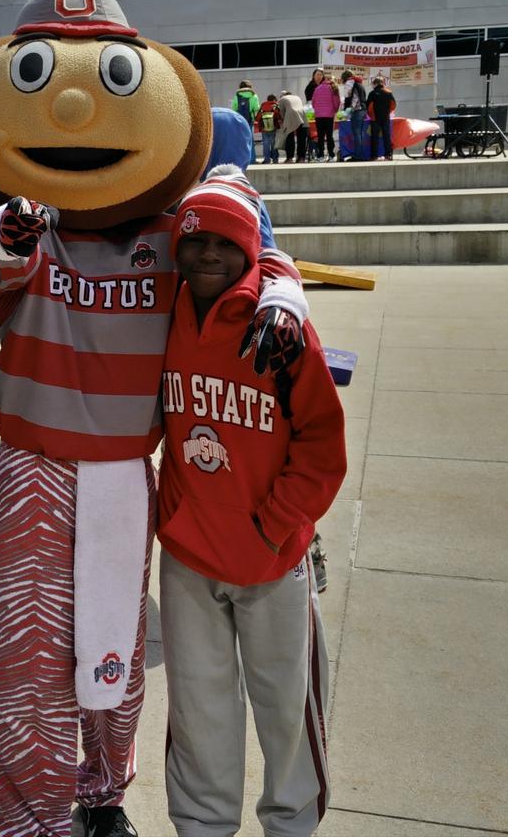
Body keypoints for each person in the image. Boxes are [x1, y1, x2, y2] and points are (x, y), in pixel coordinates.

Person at [0, 0, 309, 837]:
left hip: (123, 470)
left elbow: (248, 240)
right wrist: (11, 230)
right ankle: (34, 820)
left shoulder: (170, 236)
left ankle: (102, 796)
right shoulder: (26, 228)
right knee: (26, 659)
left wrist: (283, 291)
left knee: (113, 653)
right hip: (34, 466)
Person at [158, 175, 346, 837]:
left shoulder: (282, 328)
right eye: (194, 241)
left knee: (285, 708)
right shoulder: (165, 314)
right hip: (188, 556)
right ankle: (202, 827)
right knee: (199, 710)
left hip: (271, 559)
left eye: (224, 243)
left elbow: (323, 447)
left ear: (249, 248)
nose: (208, 253)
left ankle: (291, 825)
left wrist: (274, 527)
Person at [340, 69, 368, 161]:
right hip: (363, 109)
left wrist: (348, 109)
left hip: (356, 110)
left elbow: (350, 97)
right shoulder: (359, 83)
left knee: (356, 134)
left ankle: (357, 156)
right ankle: (360, 154)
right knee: (359, 133)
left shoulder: (349, 83)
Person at [366, 77, 397, 161]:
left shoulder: (372, 93)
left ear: (375, 84)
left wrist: (371, 115)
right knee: (387, 136)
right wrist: (388, 111)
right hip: (386, 117)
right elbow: (393, 105)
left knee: (374, 137)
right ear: (382, 83)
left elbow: (369, 107)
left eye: (373, 84)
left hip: (375, 118)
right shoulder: (388, 92)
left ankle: (374, 156)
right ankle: (388, 155)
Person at [310, 73, 339, 162]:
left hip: (319, 116)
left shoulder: (317, 88)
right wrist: (335, 110)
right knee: (329, 136)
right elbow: (336, 102)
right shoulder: (334, 88)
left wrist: (318, 110)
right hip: (329, 115)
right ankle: (331, 155)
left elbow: (313, 103)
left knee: (321, 136)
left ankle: (321, 156)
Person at [275, 90, 310, 164]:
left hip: (291, 116)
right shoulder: (297, 97)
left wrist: (283, 125)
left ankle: (290, 158)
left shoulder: (281, 100)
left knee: (289, 138)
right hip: (303, 117)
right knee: (302, 139)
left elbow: (281, 114)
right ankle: (301, 158)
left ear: (282, 96)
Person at [255, 93, 280, 165]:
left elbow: (258, 117)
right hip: (273, 128)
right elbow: (278, 116)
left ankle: (267, 159)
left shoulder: (263, 105)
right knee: (273, 144)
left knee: (266, 144)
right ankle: (275, 159)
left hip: (264, 128)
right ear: (274, 99)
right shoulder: (275, 106)